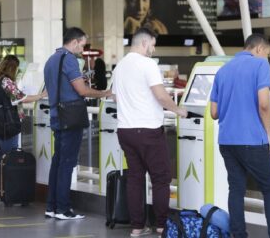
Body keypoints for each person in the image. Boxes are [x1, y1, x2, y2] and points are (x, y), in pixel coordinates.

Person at [112, 28, 187, 237]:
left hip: (125, 130)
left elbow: (115, 97)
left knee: (135, 178)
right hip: (148, 130)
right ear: (144, 43)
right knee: (161, 178)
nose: (153, 49)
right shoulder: (148, 64)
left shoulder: (120, 66)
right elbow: (162, 96)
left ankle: (137, 227)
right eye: (153, 44)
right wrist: (179, 110)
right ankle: (161, 226)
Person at [210, 34, 270, 238]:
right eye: (267, 54)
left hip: (226, 141)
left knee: (236, 189)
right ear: (259, 49)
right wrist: (266, 135)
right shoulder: (260, 66)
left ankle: (238, 234)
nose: (266, 58)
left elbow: (214, 113)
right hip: (252, 140)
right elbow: (264, 104)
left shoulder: (222, 71)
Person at [43, 27, 111, 220]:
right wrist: (105, 93)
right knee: (66, 164)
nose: (82, 49)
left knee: (57, 162)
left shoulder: (51, 59)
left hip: (57, 116)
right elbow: (82, 91)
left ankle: (52, 206)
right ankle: (63, 209)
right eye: (82, 44)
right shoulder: (70, 59)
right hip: (70, 118)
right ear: (74, 42)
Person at [0, 55, 47, 202]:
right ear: (13, 68)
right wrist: (41, 95)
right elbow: (21, 97)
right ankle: (7, 190)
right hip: (8, 127)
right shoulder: (7, 81)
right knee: (8, 158)